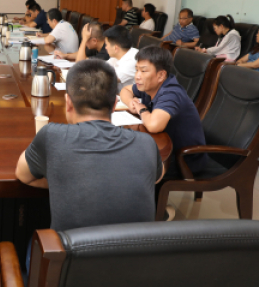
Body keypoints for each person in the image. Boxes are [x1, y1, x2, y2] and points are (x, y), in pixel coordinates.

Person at [15, 59, 164, 233]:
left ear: (68, 103)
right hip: (135, 251)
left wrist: (65, 181)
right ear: (114, 105)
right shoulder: (146, 143)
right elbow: (156, 176)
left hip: (66, 251)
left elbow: (23, 174)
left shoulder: (51, 136)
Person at [119, 46, 207, 178]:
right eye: (137, 70)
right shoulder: (150, 85)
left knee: (124, 167)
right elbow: (125, 90)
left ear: (161, 75)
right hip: (161, 148)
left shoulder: (171, 93)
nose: (137, 76)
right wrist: (131, 102)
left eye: (143, 71)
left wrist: (141, 108)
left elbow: (154, 126)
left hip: (183, 160)